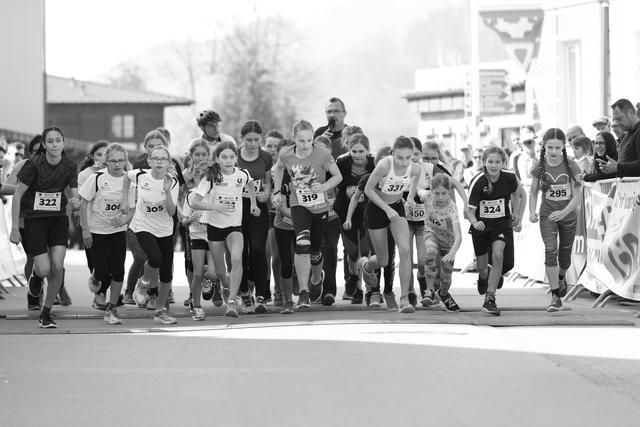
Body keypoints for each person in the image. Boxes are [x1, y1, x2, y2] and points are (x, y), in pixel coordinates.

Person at [9, 126, 80, 328]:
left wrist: (75, 204)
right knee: (44, 268)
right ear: (44, 144)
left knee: (57, 267)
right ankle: (36, 275)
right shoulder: (34, 164)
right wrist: (15, 227)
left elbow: (74, 196)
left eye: (58, 140)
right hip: (35, 220)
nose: (54, 144)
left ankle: (46, 313)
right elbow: (17, 195)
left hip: (57, 220)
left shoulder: (69, 166)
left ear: (63, 143)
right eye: (50, 141)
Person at [272, 120, 342, 310]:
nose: (305, 145)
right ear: (294, 139)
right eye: (301, 141)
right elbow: (277, 169)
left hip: (319, 207)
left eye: (309, 140)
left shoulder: (322, 153)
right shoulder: (286, 154)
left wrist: (325, 186)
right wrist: (277, 191)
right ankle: (303, 293)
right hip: (299, 204)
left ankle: (317, 278)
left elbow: (338, 176)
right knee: (302, 244)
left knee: (315, 251)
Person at [190, 141, 259, 317]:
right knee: (219, 271)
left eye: (231, 157)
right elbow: (195, 202)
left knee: (237, 258)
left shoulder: (242, 174)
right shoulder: (211, 177)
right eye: (224, 157)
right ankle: (225, 285)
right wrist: (216, 207)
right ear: (217, 159)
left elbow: (250, 184)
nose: (228, 160)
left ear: (236, 158)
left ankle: (232, 301)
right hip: (214, 226)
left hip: (234, 225)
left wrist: (253, 203)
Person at [359, 136, 421, 313]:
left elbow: (414, 181)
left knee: (405, 249)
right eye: (400, 157)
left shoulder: (414, 168)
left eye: (408, 157)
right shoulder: (385, 165)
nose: (404, 162)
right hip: (377, 209)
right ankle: (365, 265)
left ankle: (404, 298)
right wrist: (386, 209)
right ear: (393, 154)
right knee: (383, 260)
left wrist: (409, 198)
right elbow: (368, 190)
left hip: (396, 208)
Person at [123, 130, 184, 306]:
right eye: (155, 158)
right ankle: (142, 285)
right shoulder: (140, 174)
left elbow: (172, 213)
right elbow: (127, 179)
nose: (158, 162)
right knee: (155, 258)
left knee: (166, 273)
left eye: (162, 159)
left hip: (165, 227)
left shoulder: (172, 181)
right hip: (143, 225)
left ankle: (161, 310)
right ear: (149, 160)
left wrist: (166, 192)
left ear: (168, 162)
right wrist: (124, 201)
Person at [466, 146, 526, 316]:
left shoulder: (509, 177)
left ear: (503, 163)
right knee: (482, 266)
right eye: (490, 161)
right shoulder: (478, 181)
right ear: (484, 162)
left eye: (497, 162)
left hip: (501, 223)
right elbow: (469, 210)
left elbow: (519, 195)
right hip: (482, 226)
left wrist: (517, 215)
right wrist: (475, 222)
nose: (493, 165)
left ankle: (490, 298)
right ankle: (485, 275)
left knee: (498, 255)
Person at [79, 143, 133, 324]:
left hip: (117, 230)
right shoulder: (97, 178)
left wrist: (126, 220)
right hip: (97, 231)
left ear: (125, 160)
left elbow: (133, 208)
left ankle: (111, 309)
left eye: (120, 161)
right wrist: (85, 230)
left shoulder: (129, 180)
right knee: (102, 272)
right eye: (113, 161)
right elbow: (84, 202)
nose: (117, 164)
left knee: (118, 270)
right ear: (106, 161)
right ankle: (95, 276)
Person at [529, 128, 582, 312]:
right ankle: (555, 296)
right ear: (544, 146)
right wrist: (531, 211)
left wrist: (564, 212)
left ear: (563, 146)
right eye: (550, 147)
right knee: (550, 251)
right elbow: (533, 191)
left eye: (557, 147)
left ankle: (561, 278)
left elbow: (577, 197)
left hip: (568, 215)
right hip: (547, 215)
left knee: (565, 257)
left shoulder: (571, 165)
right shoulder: (538, 166)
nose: (553, 151)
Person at [237, 120, 272, 313]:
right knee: (240, 252)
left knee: (258, 249)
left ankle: (261, 293)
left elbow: (267, 183)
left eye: (256, 139)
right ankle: (244, 293)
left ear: (261, 138)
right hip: (237, 207)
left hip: (258, 206)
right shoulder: (233, 155)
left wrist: (266, 193)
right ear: (241, 139)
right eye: (248, 140)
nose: (252, 143)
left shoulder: (265, 157)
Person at [336, 134, 375, 303]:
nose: (357, 155)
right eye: (354, 151)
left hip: (368, 212)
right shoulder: (343, 163)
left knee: (365, 251)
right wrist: (346, 191)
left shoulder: (375, 164)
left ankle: (364, 289)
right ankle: (353, 277)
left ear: (368, 151)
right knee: (352, 252)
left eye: (361, 151)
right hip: (347, 211)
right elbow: (336, 184)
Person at [181, 142, 217, 321]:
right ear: (194, 177)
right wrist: (189, 220)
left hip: (214, 237)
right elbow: (184, 221)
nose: (203, 178)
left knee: (211, 273)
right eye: (199, 175)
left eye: (206, 176)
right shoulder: (190, 195)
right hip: (196, 237)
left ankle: (212, 280)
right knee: (196, 273)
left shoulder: (217, 194)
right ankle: (196, 306)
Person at [418, 174, 462, 312]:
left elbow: (459, 236)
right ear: (431, 191)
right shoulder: (427, 196)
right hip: (431, 233)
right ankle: (429, 290)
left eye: (444, 193)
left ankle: (443, 294)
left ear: (449, 192)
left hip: (448, 243)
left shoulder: (452, 209)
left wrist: (452, 252)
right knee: (430, 251)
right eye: (437, 193)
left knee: (446, 279)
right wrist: (409, 199)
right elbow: (414, 185)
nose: (440, 197)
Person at [77, 140, 109, 309]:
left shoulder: (118, 172)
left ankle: (101, 294)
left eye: (106, 154)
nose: (102, 158)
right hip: (91, 225)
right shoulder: (85, 175)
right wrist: (84, 228)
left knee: (113, 263)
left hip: (112, 225)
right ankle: (98, 285)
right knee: (97, 263)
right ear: (91, 156)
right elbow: (83, 201)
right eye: (99, 154)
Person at [263, 129, 285, 305]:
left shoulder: (290, 164)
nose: (272, 149)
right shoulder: (264, 166)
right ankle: (276, 290)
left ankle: (290, 283)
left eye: (276, 146)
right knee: (273, 255)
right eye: (269, 145)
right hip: (269, 215)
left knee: (289, 255)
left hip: (291, 214)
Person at [600, 99, 640, 178]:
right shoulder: (627, 135)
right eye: (615, 120)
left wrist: (618, 167)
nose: (617, 123)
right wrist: (611, 168)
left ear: (630, 113)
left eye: (619, 119)